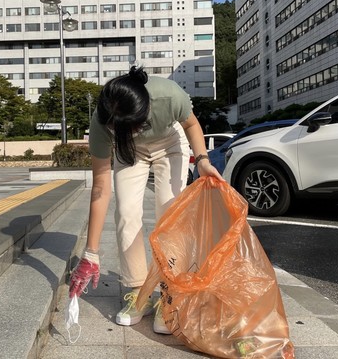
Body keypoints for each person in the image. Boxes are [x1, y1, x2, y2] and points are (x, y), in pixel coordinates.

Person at [68, 66, 223, 334]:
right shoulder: (102, 122)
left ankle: (167, 294)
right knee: (126, 214)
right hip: (131, 153)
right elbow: (100, 188)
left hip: (170, 145)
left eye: (133, 126)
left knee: (169, 213)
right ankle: (139, 293)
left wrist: (202, 161)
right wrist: (90, 253)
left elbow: (191, 124)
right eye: (119, 128)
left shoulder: (169, 96)